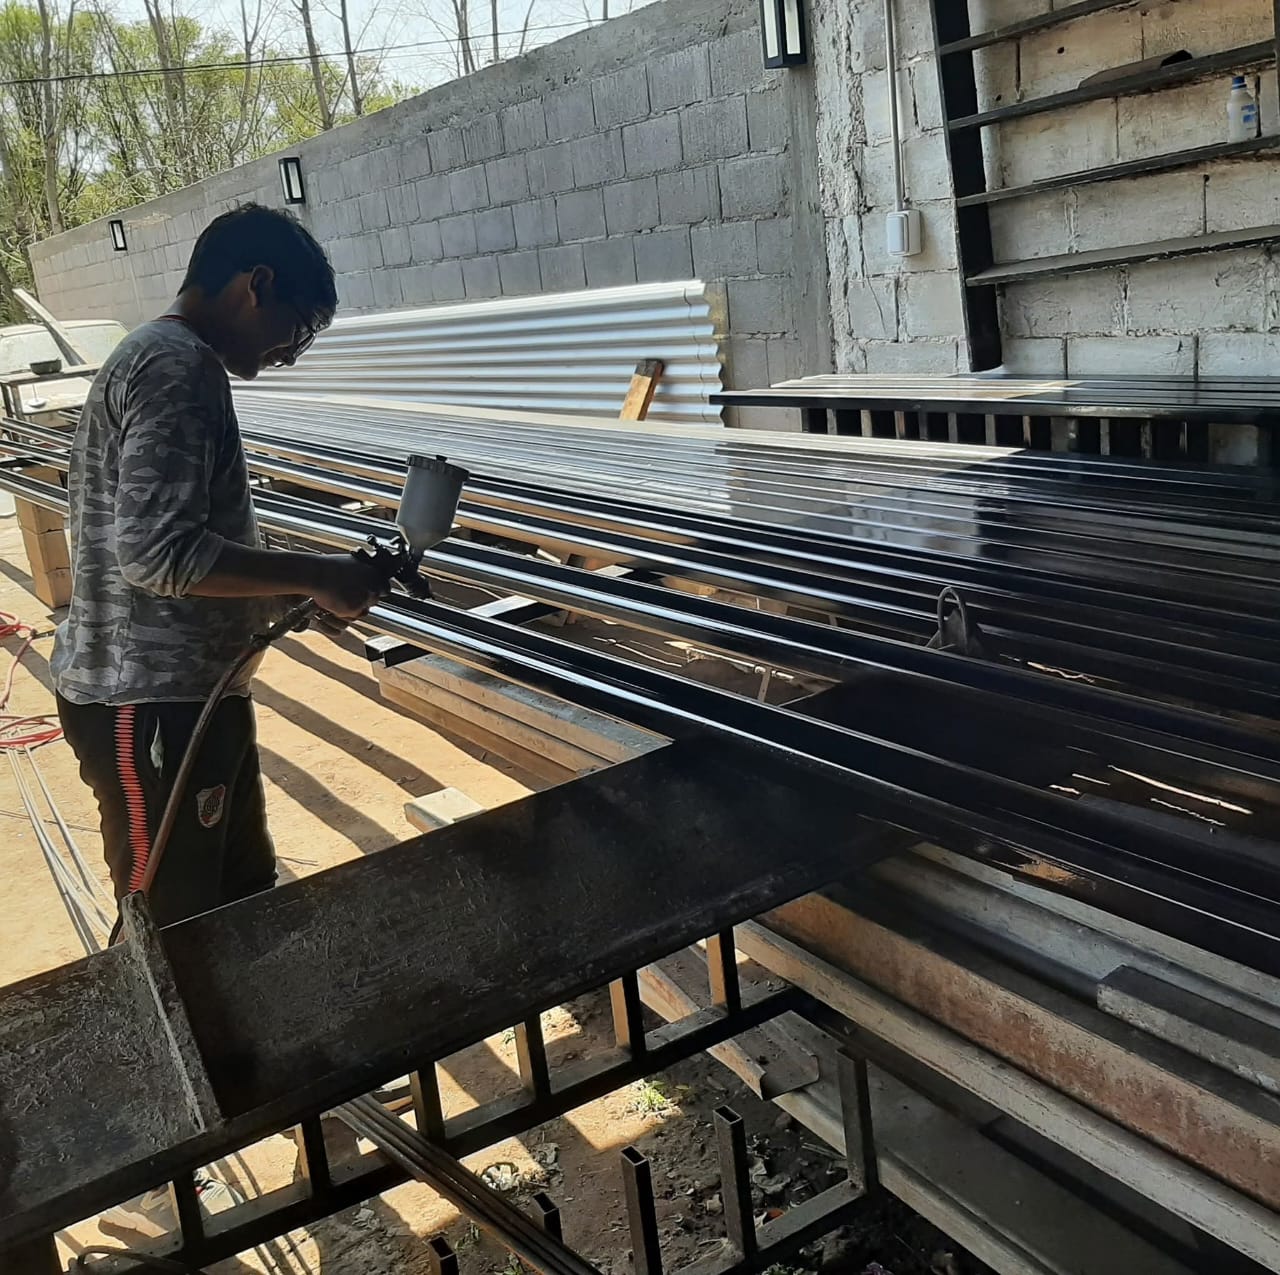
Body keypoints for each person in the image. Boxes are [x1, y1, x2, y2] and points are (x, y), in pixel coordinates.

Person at [52, 202, 383, 941]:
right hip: (149, 704)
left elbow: (181, 545)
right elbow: (158, 553)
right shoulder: (177, 366)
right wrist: (316, 571)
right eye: (298, 328)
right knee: (172, 936)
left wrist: (296, 589)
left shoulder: (163, 358)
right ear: (255, 285)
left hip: (195, 697)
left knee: (241, 903)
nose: (290, 354)